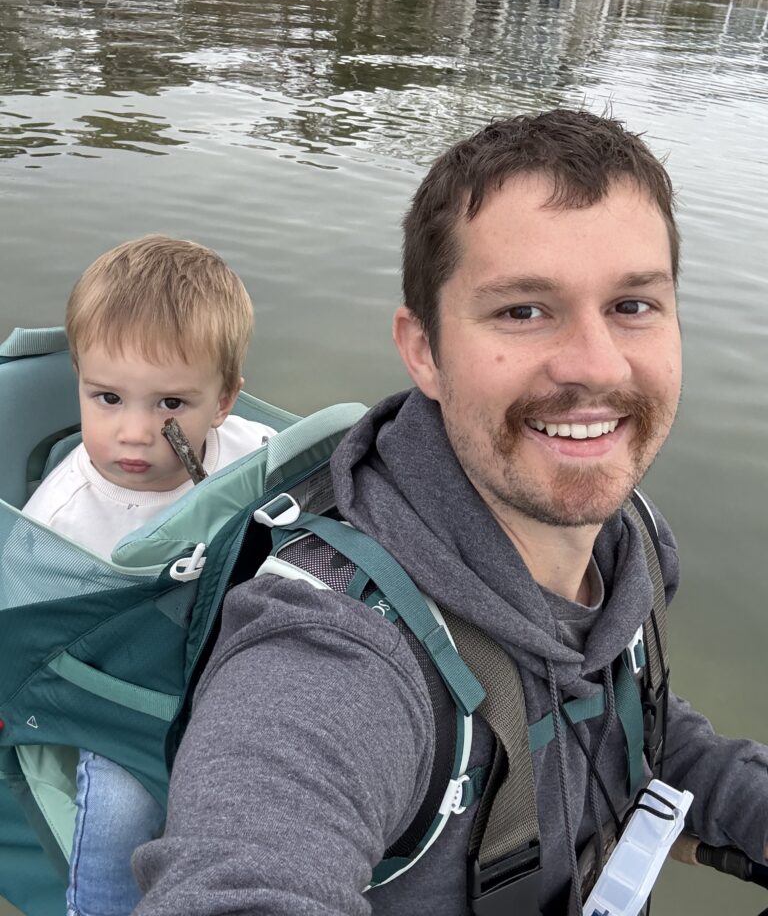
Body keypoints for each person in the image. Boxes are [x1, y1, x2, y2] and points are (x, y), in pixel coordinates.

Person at [132, 111, 768, 916]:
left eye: (632, 305)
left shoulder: (628, 531)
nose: (597, 365)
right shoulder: (337, 653)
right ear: (424, 349)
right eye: (523, 311)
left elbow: (628, 720)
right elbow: (239, 879)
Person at [22, 234, 276, 916]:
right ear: (79, 378)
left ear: (223, 401)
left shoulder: (249, 454)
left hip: (232, 654)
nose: (134, 432)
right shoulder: (62, 516)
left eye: (170, 405)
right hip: (125, 696)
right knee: (117, 811)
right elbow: (39, 632)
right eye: (107, 398)